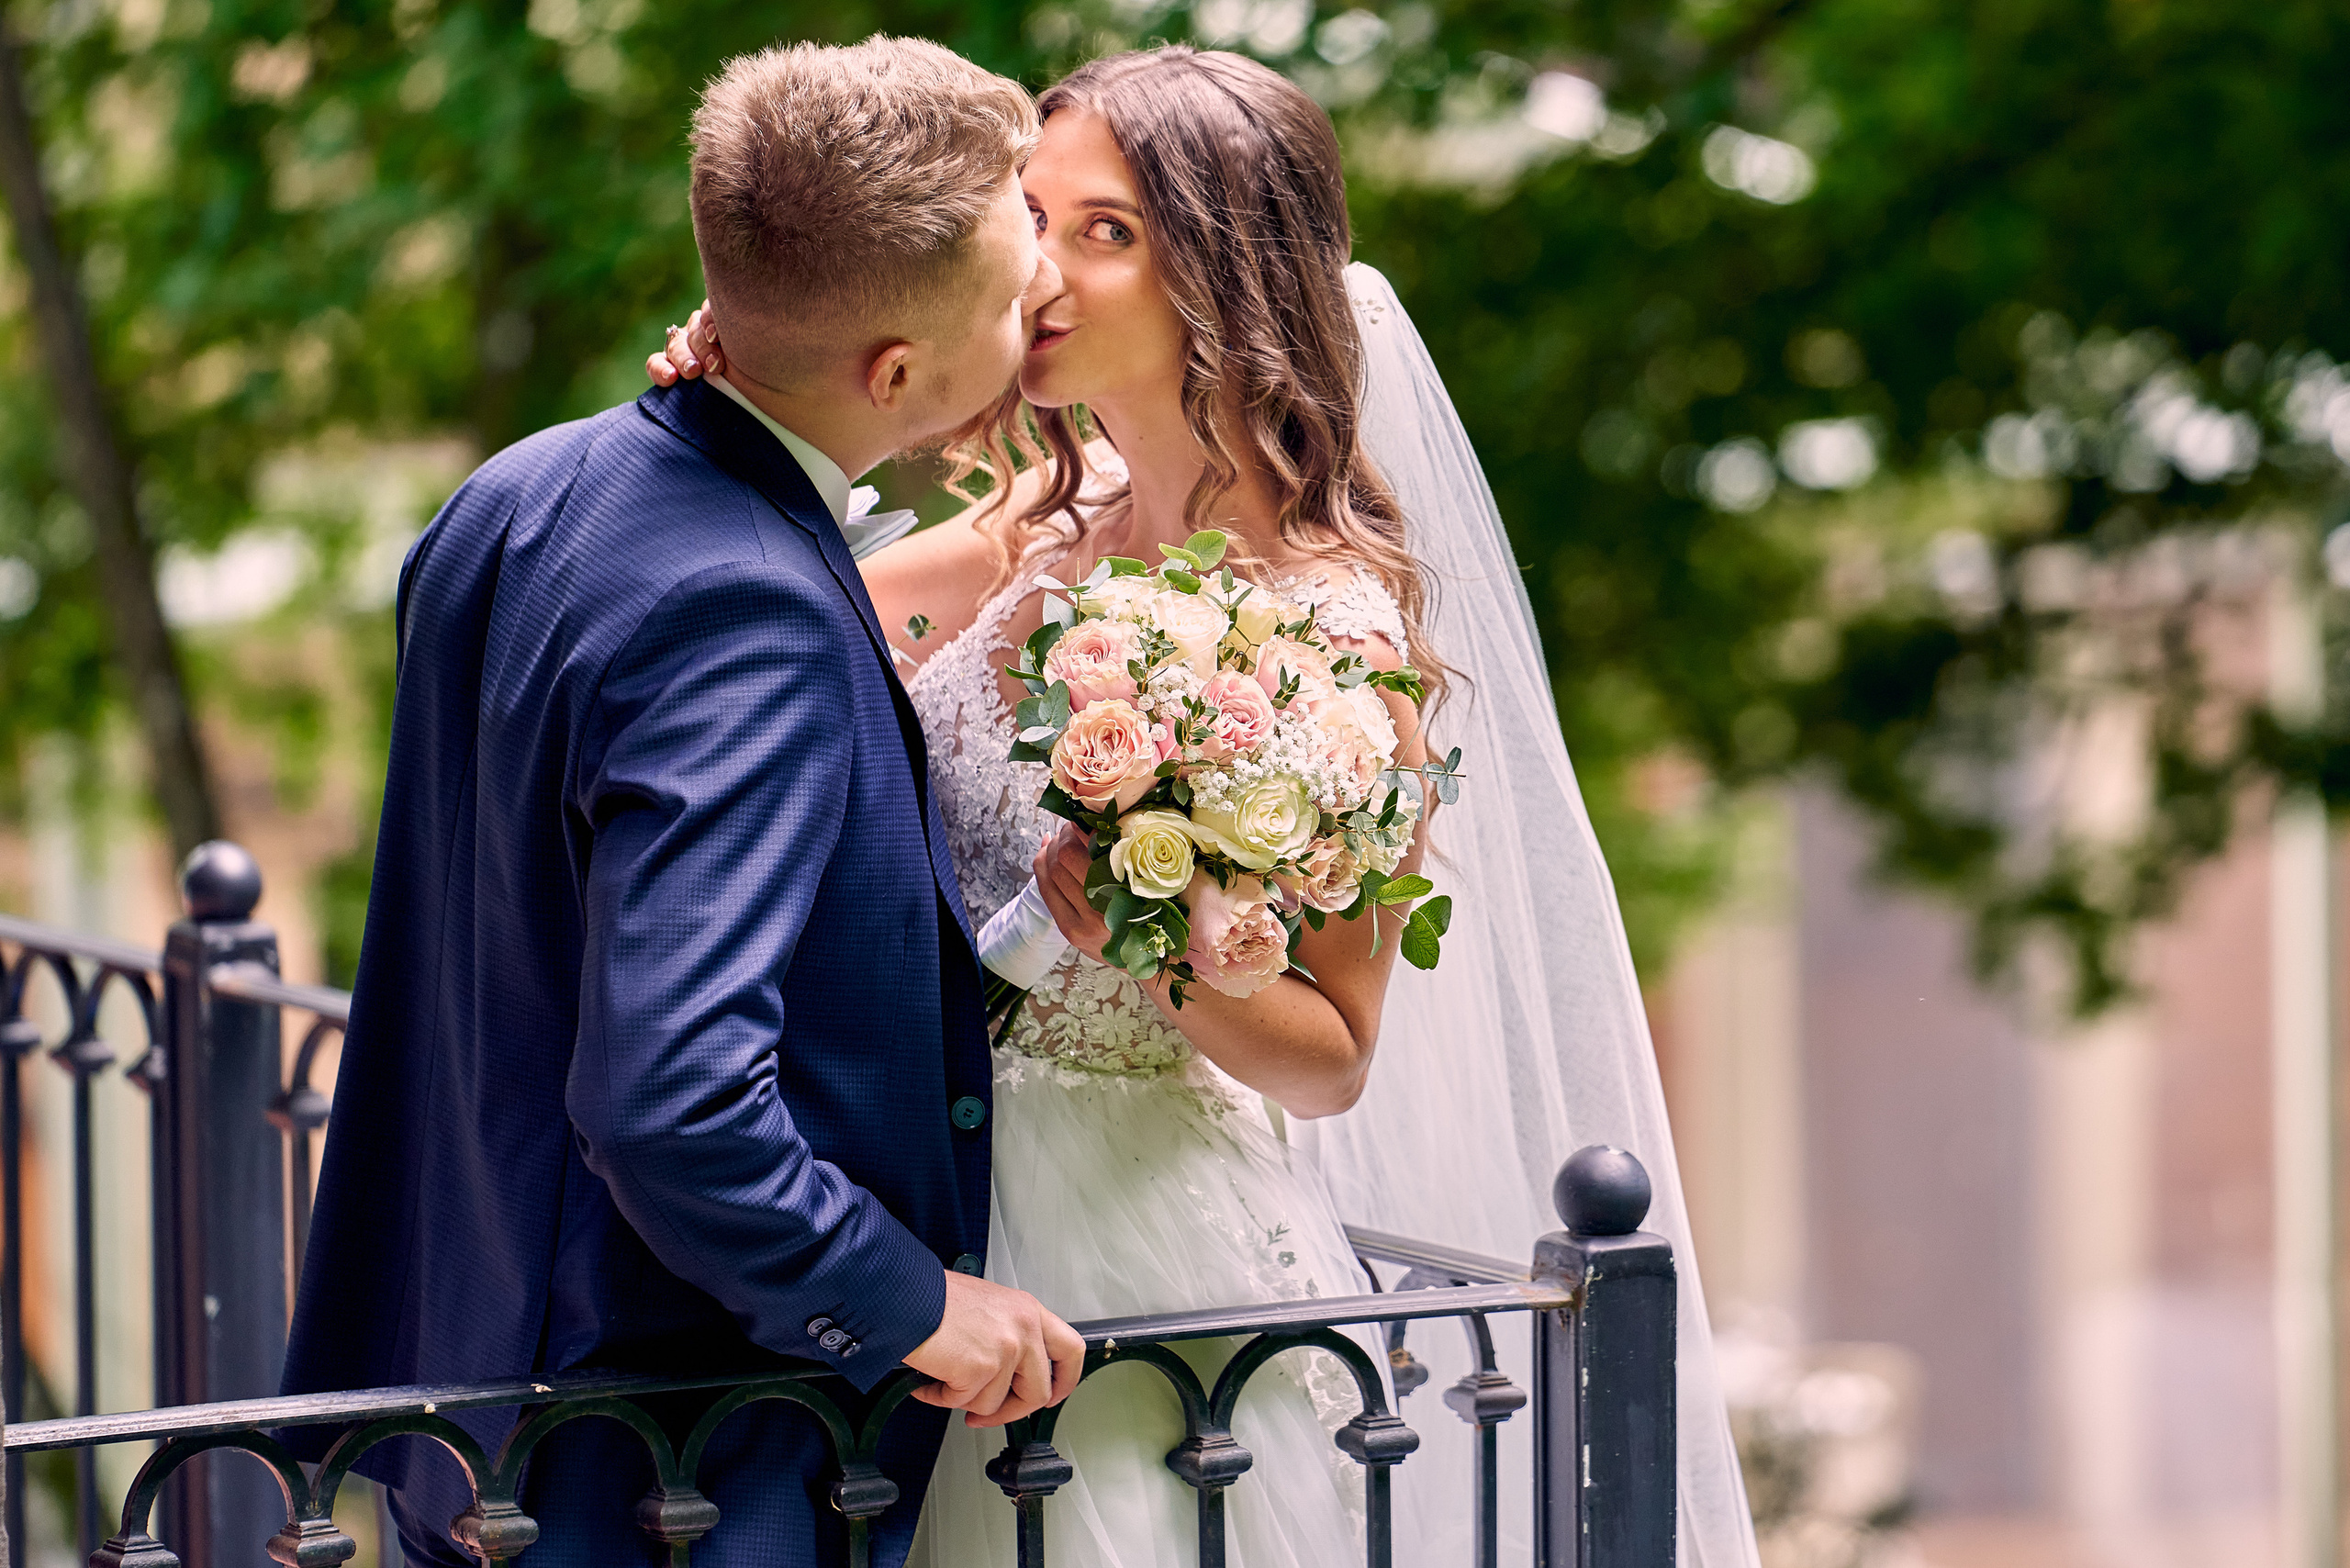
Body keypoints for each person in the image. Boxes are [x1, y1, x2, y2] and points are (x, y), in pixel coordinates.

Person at [655, 43, 1762, 1568]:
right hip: (929, 1205)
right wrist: (745, 405)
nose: (1040, 267)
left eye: (1103, 232)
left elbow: (1333, 1059)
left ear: (1224, 282)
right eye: (1030, 215)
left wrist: (1147, 923)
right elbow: (774, 607)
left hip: (1130, 1250)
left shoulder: (1333, 635)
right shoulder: (1031, 534)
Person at [280, 39, 1088, 1568]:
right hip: (667, 1456)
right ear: (896, 373)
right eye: (1009, 284)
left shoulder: (514, 493)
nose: (1037, 292)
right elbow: (671, 1102)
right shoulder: (751, 611)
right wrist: (914, 1303)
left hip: (466, 1393)